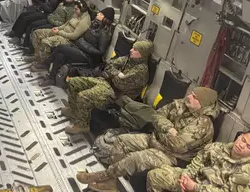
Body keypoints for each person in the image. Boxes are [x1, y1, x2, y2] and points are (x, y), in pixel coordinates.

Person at [77, 87, 220, 191]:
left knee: (135, 158)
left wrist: (161, 132)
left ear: (203, 105)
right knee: (122, 141)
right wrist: (168, 128)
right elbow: (157, 115)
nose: (189, 97)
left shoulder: (203, 124)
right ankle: (111, 182)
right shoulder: (181, 105)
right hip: (156, 139)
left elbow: (177, 146)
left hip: (174, 156)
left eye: (195, 97)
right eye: (191, 93)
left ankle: (100, 177)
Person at [63, 40, 153, 135]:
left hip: (115, 93)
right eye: (132, 47)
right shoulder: (128, 59)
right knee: (74, 82)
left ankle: (82, 125)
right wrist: (117, 73)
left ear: (142, 54)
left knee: (83, 96)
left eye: (135, 49)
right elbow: (109, 65)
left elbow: (120, 84)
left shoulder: (141, 71)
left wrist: (112, 74)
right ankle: (73, 110)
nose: (131, 50)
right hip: (106, 82)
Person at [147, 130, 250, 192]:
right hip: (193, 179)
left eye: (248, 146)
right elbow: (198, 161)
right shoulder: (217, 147)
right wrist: (186, 176)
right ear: (240, 136)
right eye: (243, 140)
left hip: (202, 188)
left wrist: (195, 187)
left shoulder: (246, 172)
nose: (241, 145)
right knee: (155, 176)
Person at [46, 7, 115, 80]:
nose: (98, 14)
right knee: (60, 54)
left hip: (89, 57)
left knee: (61, 47)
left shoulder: (104, 33)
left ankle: (46, 63)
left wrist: (83, 45)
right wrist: (81, 43)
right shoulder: (95, 25)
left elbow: (100, 52)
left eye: (101, 14)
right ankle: (51, 78)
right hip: (81, 49)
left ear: (105, 18)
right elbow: (83, 38)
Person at [27, 1, 92, 69]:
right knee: (36, 33)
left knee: (45, 42)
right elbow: (66, 24)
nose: (74, 10)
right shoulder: (77, 14)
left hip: (68, 40)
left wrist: (59, 32)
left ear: (82, 10)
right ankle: (37, 56)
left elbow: (74, 36)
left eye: (76, 9)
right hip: (61, 32)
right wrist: (58, 28)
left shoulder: (84, 21)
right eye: (74, 8)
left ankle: (44, 64)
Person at [7, 0, 80, 49]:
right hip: (49, 17)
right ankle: (15, 33)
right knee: (25, 17)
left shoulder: (70, 9)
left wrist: (51, 19)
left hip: (53, 21)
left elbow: (65, 22)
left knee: (31, 23)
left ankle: (25, 44)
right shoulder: (62, 3)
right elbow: (54, 13)